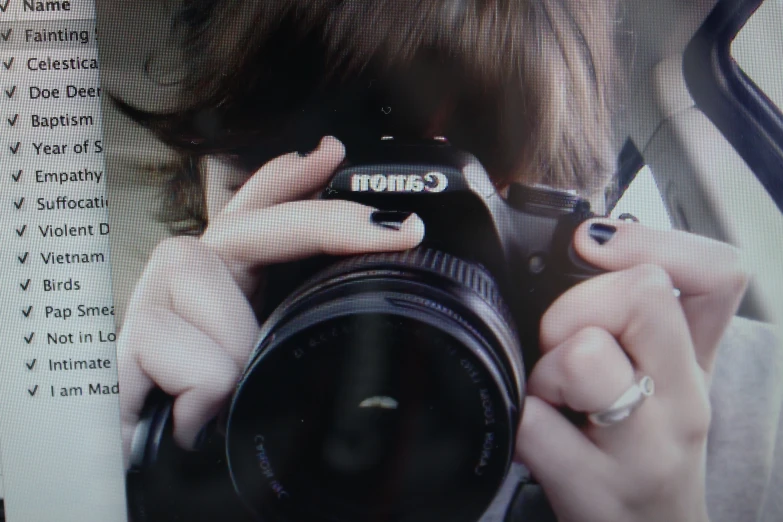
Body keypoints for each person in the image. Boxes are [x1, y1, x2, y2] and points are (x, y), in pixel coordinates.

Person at [110, 1, 783, 521]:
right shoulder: (120, 402)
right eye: (297, 154)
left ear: (578, 220)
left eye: (479, 163)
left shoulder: (760, 409)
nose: (388, 252)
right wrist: (104, 482)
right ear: (204, 182)